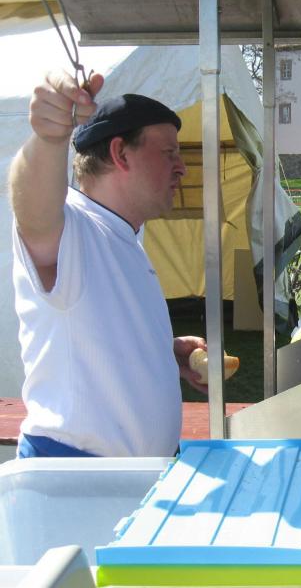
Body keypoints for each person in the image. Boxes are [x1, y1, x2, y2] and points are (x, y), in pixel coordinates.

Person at [9, 70, 209, 458]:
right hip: (76, 477)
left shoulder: (122, 233)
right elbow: (32, 211)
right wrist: (48, 140)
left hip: (122, 478)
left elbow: (93, 336)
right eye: (169, 153)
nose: (182, 167)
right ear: (120, 154)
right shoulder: (74, 227)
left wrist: (161, 353)